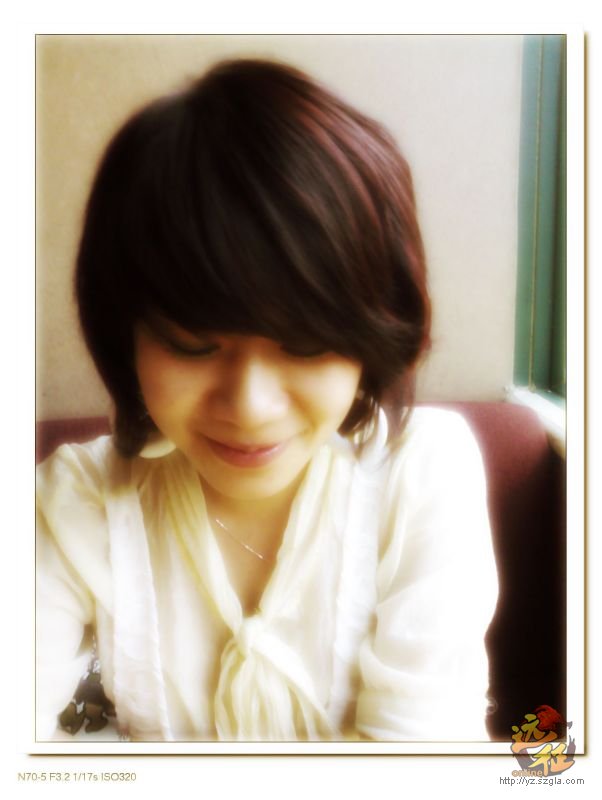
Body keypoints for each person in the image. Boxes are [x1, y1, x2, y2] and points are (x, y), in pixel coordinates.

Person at [36, 58, 498, 742]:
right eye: (193, 344)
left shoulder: (422, 474)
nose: (250, 407)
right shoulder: (80, 502)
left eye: (305, 344)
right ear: (124, 335)